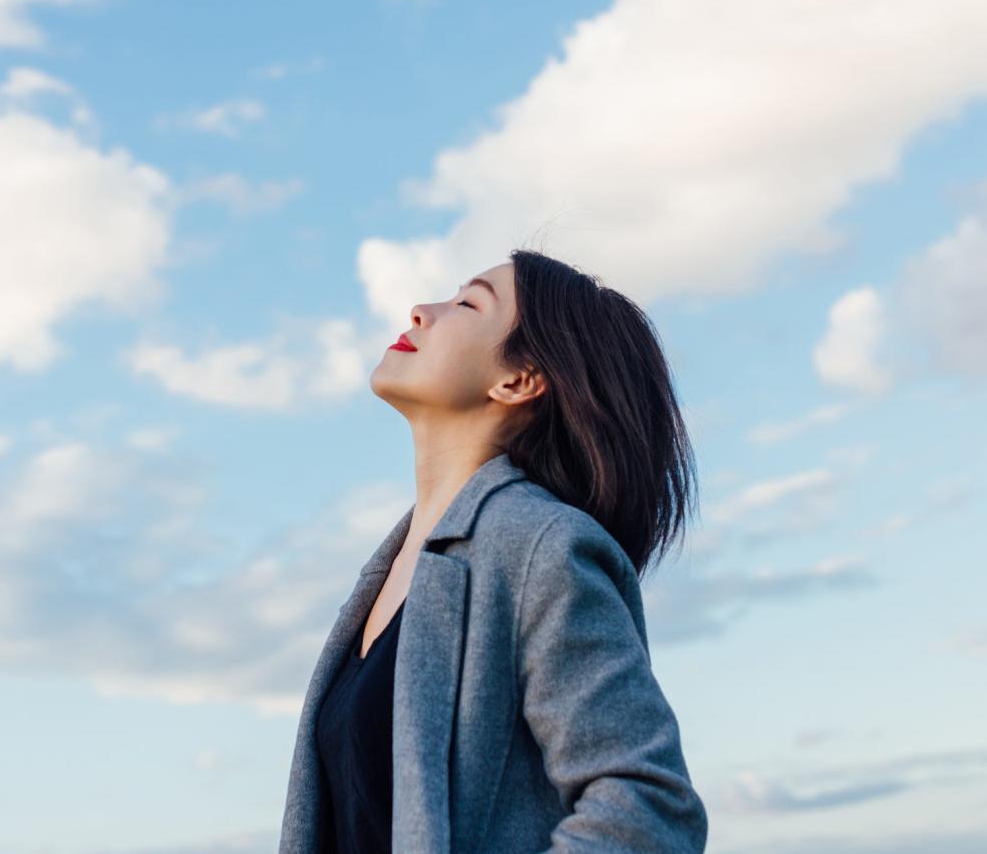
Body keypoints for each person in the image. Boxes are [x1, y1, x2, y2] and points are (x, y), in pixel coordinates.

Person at [279, 248, 709, 853]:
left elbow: (649, 805)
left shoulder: (541, 546)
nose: (421, 311)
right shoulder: (391, 569)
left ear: (518, 380)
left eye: (466, 303)